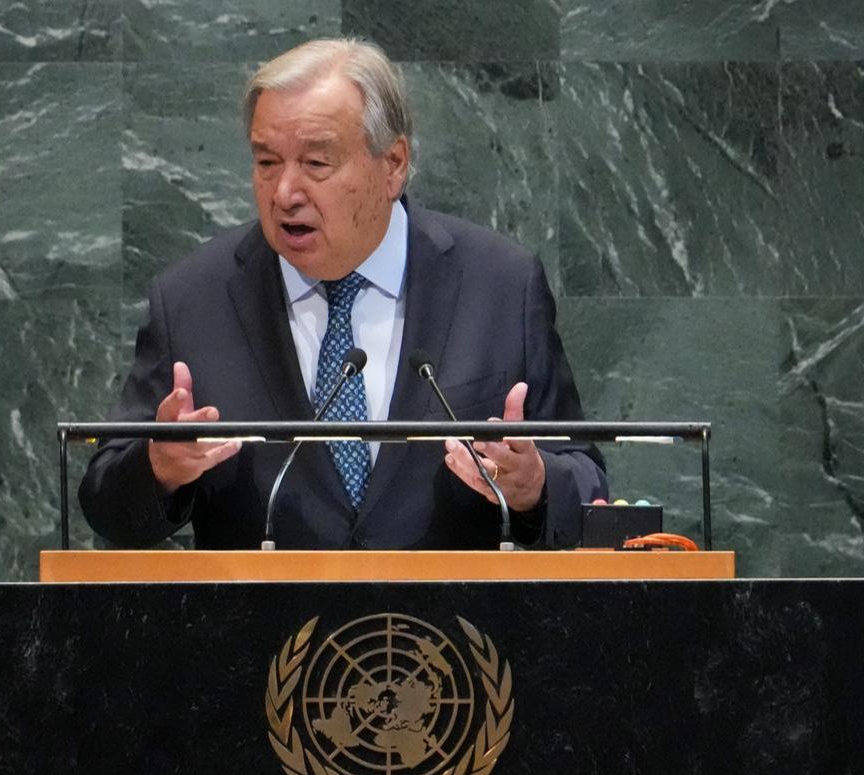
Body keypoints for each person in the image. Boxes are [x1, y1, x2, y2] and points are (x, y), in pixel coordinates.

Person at [80, 38, 606, 550]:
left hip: (458, 635)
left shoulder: (501, 286)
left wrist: (534, 486)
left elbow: (587, 485)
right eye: (266, 163)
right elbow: (106, 504)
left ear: (394, 164)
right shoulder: (195, 299)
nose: (285, 192)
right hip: (262, 635)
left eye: (316, 164)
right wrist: (160, 470)